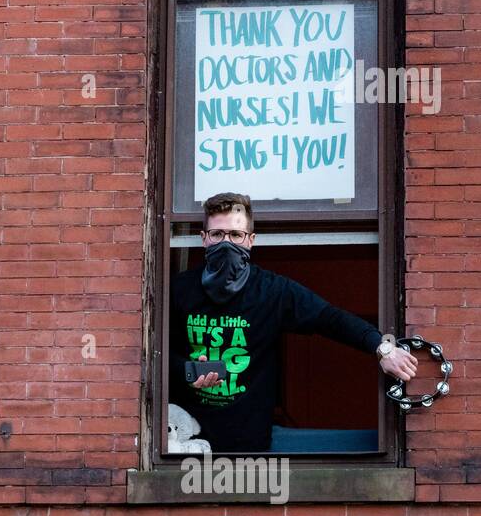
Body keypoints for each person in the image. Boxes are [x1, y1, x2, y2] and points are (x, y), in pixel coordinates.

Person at [169, 192, 417, 452]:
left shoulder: (272, 291)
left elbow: (329, 317)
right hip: (186, 443)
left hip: (249, 447)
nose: (226, 243)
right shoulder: (180, 290)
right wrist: (186, 370)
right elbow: (157, 353)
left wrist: (382, 348)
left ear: (250, 241)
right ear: (204, 238)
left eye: (235, 235)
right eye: (218, 235)